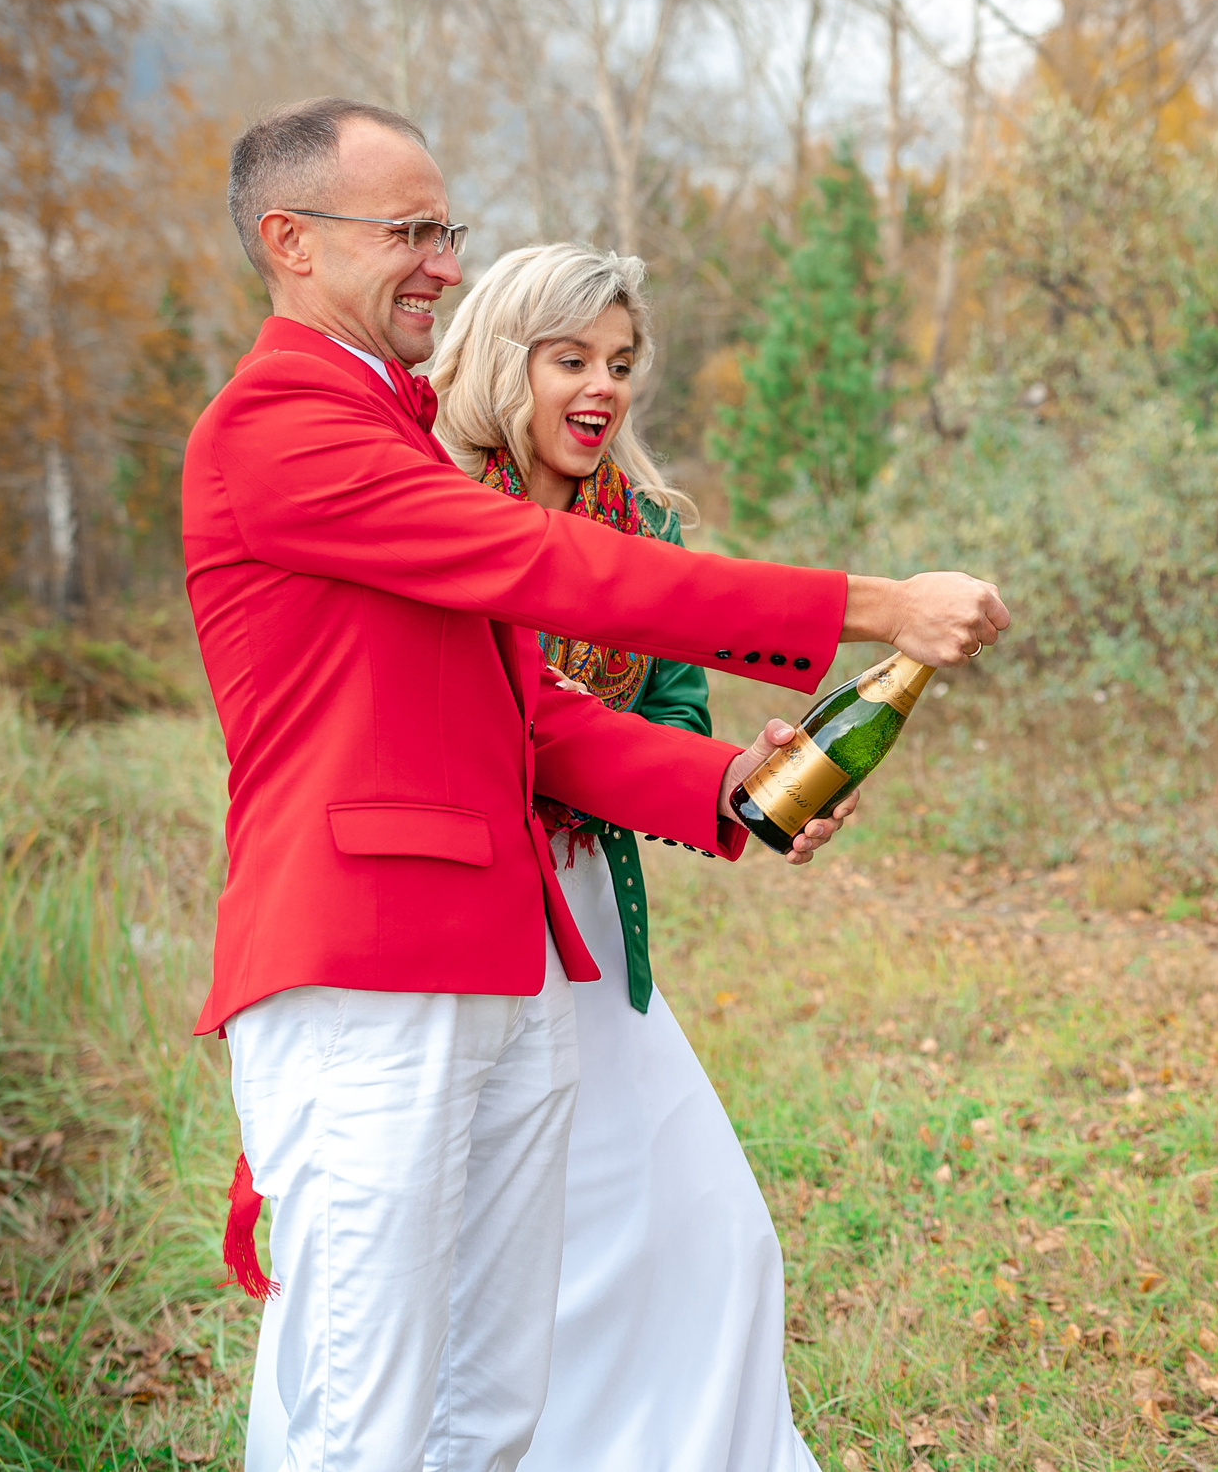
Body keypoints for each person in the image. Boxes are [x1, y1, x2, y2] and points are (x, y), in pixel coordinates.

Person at [187, 96, 1008, 1472]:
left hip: (503, 968)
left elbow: (535, 718)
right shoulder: (281, 426)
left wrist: (723, 780)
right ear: (291, 240)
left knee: (488, 1401)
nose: (444, 263)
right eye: (409, 232)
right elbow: (562, 573)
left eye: (447, 229)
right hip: (368, 964)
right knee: (361, 1404)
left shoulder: (389, 426)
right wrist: (875, 604)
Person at [422, 241, 819, 1471]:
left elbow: (673, 734)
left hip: (590, 924)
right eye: (570, 358)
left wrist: (747, 785)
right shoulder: (432, 507)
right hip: (463, 915)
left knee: (710, 1232)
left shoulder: (645, 529)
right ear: (502, 359)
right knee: (490, 1252)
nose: (603, 385)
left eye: (622, 361)